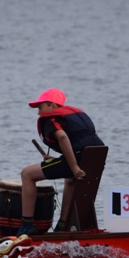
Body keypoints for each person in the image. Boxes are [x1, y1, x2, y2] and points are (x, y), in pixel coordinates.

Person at [18, 88, 105, 235]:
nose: (39, 113)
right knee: (69, 179)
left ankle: (27, 226)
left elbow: (63, 137)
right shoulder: (75, 116)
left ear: (53, 105)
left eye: (41, 107)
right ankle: (63, 225)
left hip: (79, 158)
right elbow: (80, 142)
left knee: (27, 174)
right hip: (97, 156)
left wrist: (73, 166)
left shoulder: (50, 120)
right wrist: (60, 161)